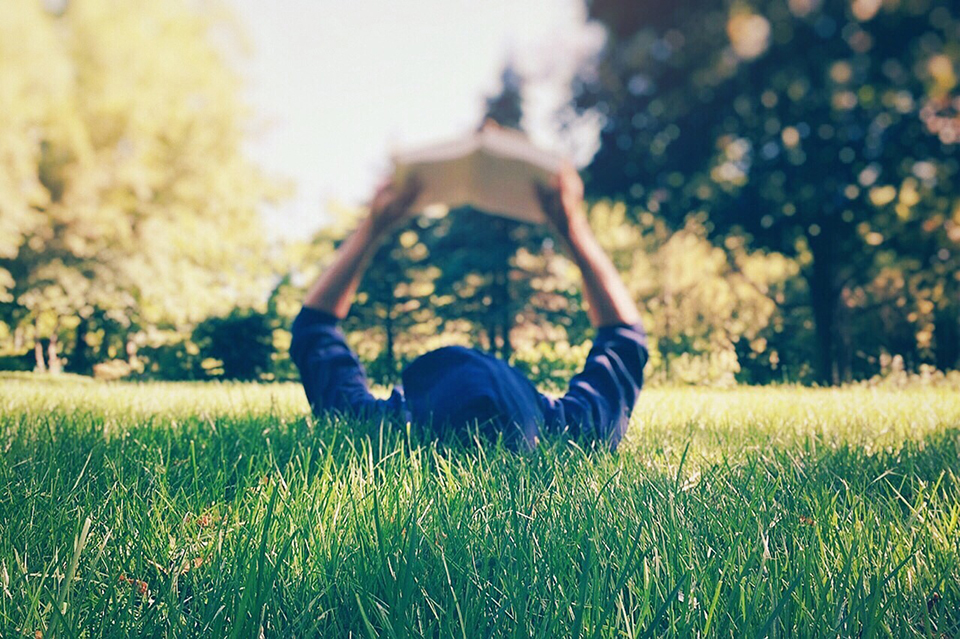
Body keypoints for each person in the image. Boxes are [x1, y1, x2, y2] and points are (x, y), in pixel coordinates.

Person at [289, 164, 648, 450]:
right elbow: (624, 336)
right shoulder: (567, 430)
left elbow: (314, 328)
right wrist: (572, 228)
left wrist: (374, 227)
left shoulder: (383, 429)